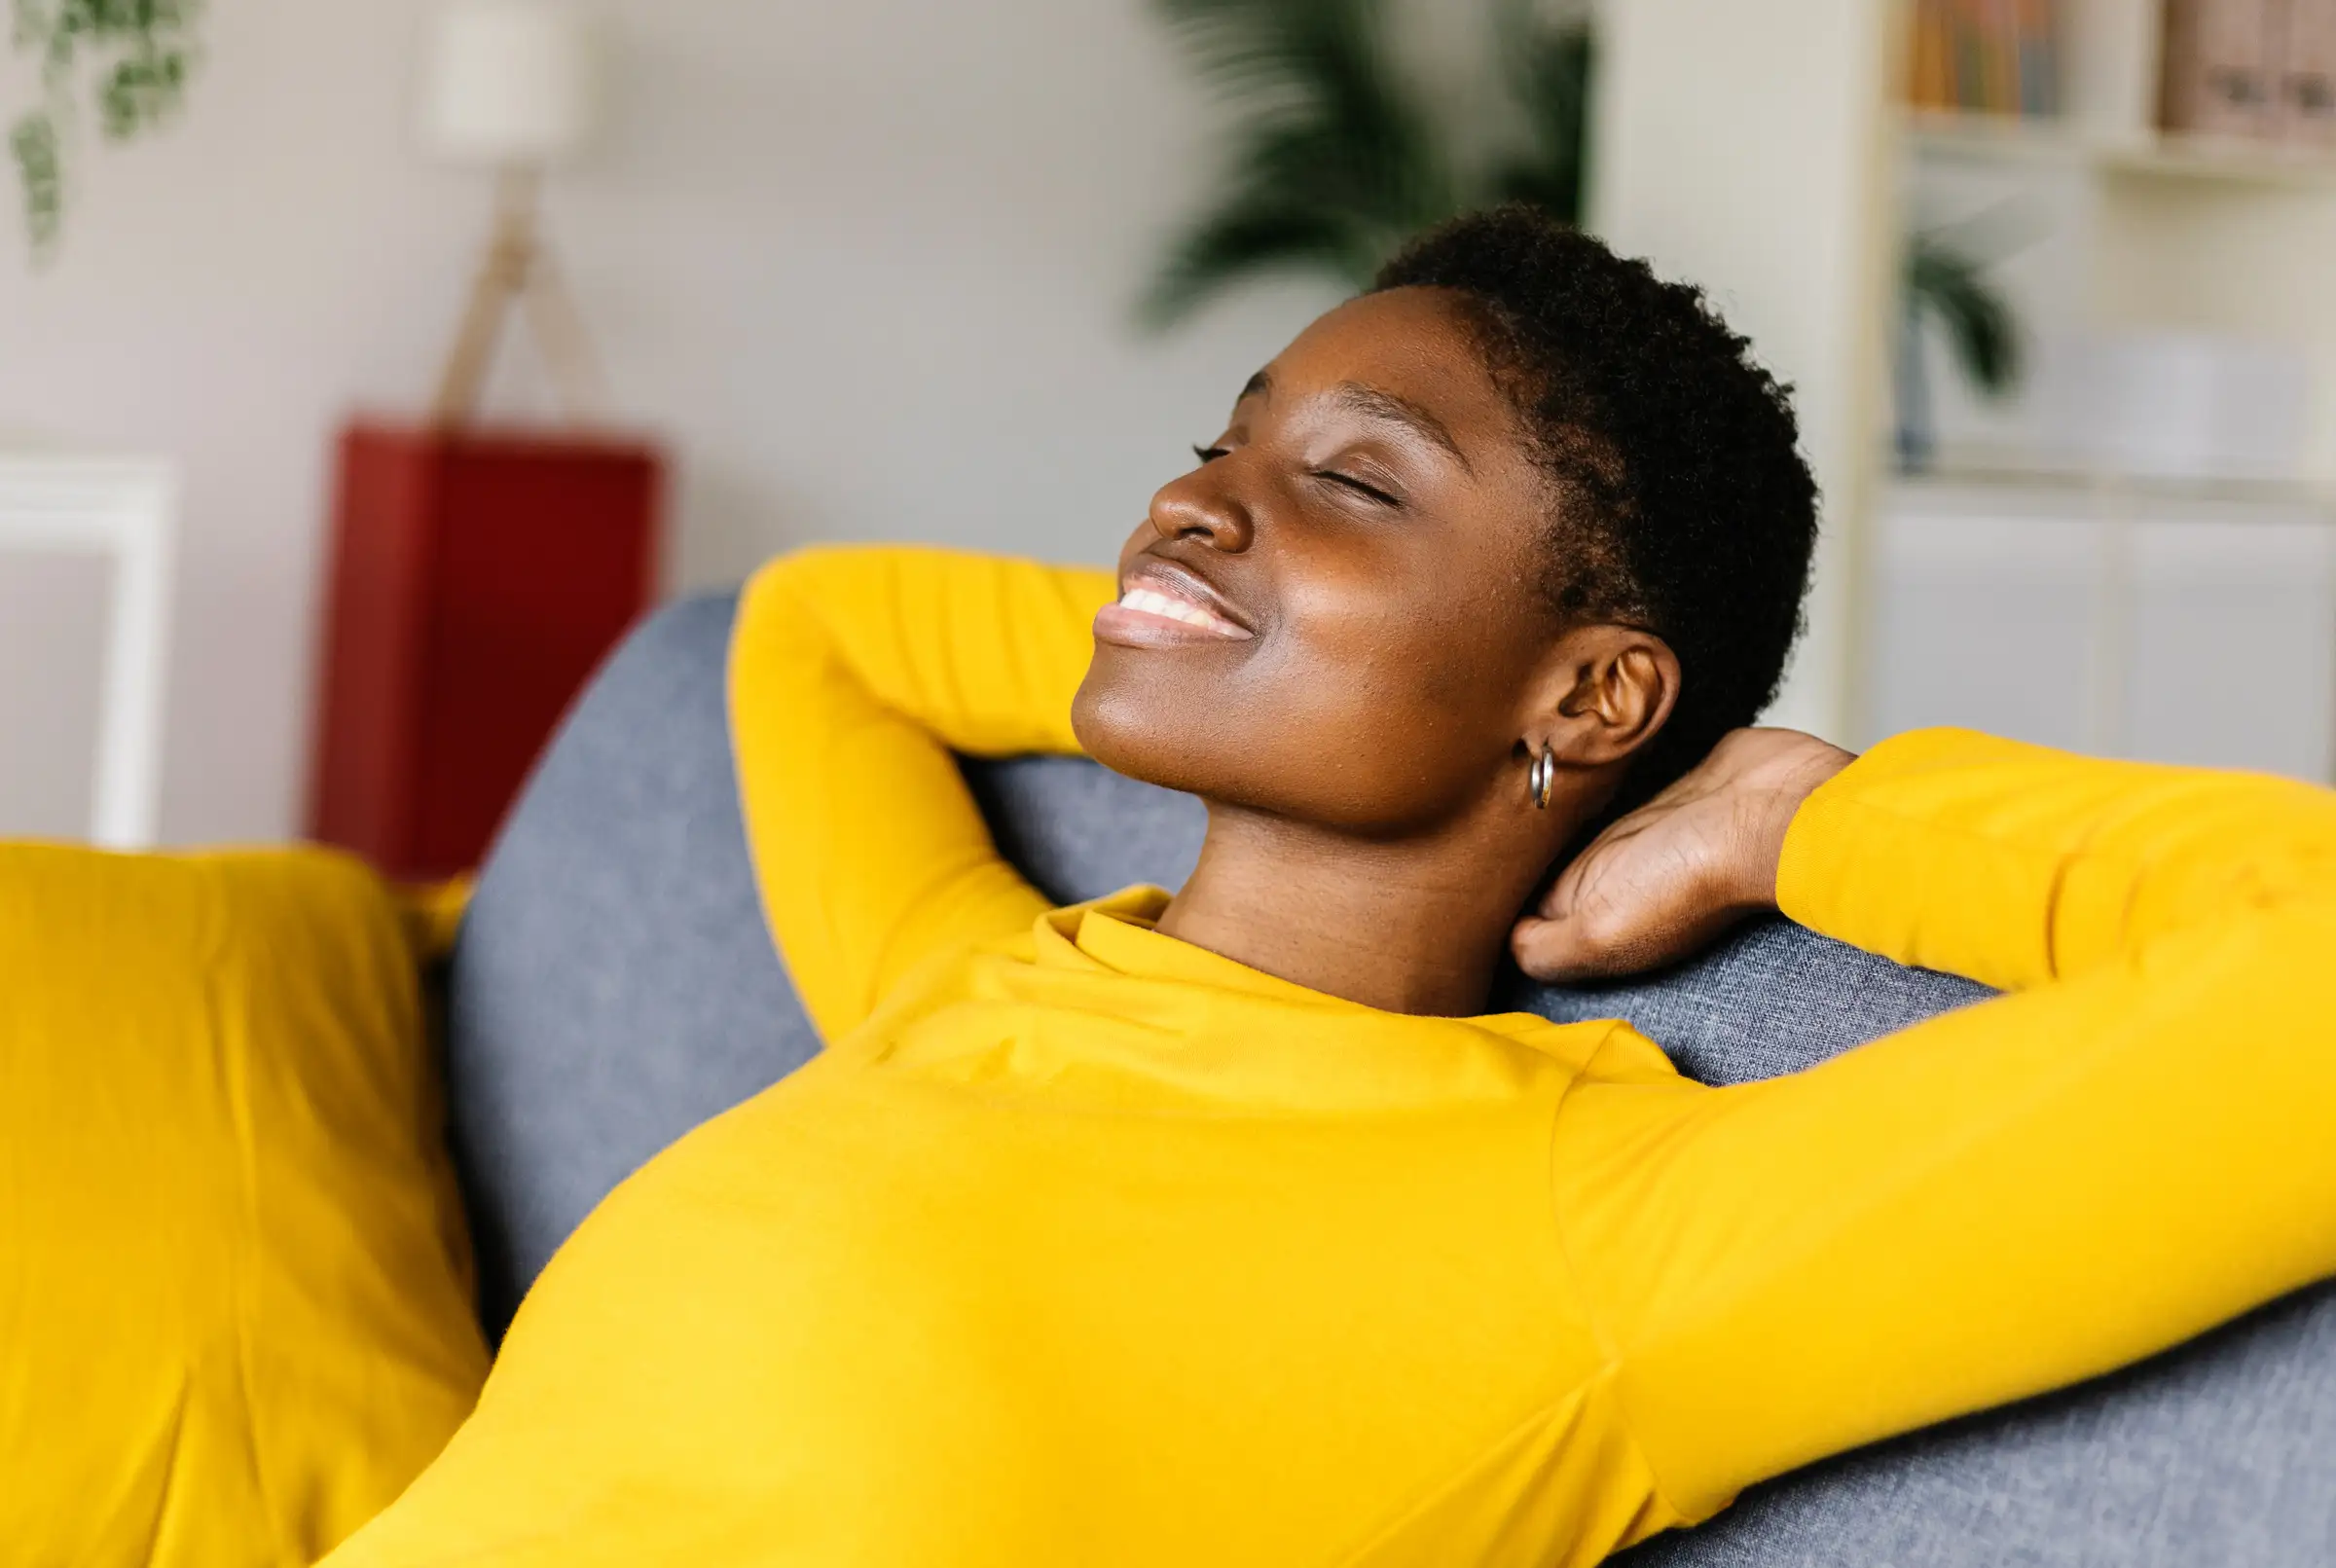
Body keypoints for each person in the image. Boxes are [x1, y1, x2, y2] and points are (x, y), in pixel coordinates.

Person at [327, 207, 2336, 1568]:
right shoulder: (969, 983)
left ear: (1597, 685)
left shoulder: (1602, 1244)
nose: (1195, 497)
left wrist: (1806, 818)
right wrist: (1187, 623)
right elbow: (818, 636)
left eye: (1356, 481)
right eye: (1224, 444)